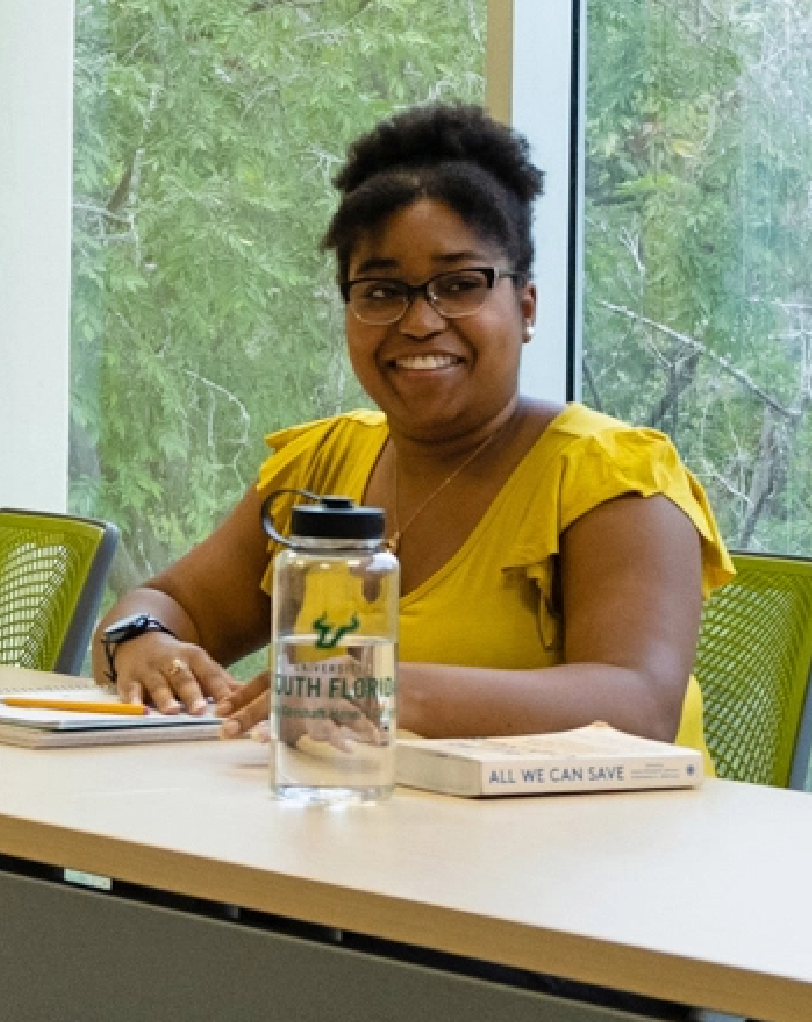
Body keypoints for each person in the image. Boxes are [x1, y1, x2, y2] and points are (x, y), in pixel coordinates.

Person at [92, 102, 734, 771]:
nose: (420, 322)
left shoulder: (613, 477)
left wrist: (388, 689)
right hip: (368, 845)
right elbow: (169, 603)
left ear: (527, 306)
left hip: (601, 861)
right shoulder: (322, 465)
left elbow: (639, 706)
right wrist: (145, 641)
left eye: (459, 285)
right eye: (381, 291)